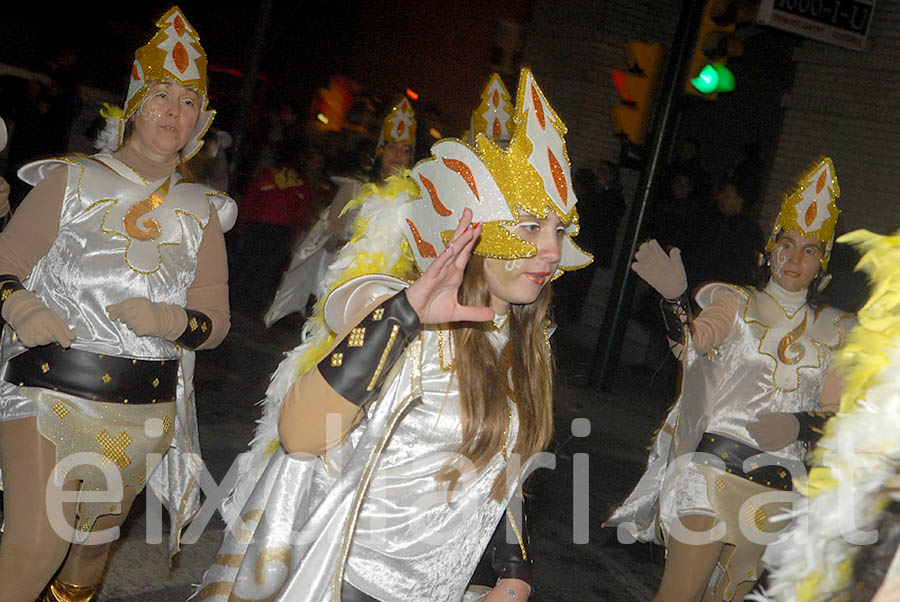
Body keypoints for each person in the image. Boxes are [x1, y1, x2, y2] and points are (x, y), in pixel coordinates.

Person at [196, 67, 592, 601]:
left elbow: (502, 468)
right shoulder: (402, 313)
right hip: (344, 579)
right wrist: (400, 317)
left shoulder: (526, 341)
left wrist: (514, 570)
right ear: (473, 230)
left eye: (560, 230)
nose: (552, 250)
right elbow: (301, 433)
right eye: (530, 227)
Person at [0, 8, 233, 601]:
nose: (172, 111)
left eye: (187, 100)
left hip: (141, 407)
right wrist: (21, 307)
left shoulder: (202, 212)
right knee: (38, 543)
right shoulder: (70, 181)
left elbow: (216, 323)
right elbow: (5, 262)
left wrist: (174, 321)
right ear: (135, 102)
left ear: (201, 120)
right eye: (161, 93)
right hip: (49, 386)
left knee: (90, 551)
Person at [605, 157, 855, 601]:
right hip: (711, 472)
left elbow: (842, 416)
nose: (794, 258)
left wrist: (800, 425)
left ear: (823, 264)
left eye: (810, 249)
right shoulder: (735, 303)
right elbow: (692, 346)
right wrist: (674, 300)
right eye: (787, 242)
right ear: (769, 249)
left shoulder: (837, 330)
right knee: (680, 594)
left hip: (779, 486)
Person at [751, 227, 900, 602]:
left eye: (809, 251)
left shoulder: (843, 324)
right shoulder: (871, 334)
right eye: (787, 247)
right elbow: (843, 418)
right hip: (835, 504)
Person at [262, 97, 416, 327]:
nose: (398, 156)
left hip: (387, 288)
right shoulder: (353, 189)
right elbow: (329, 237)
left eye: (405, 151)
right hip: (347, 281)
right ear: (380, 152)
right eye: (392, 147)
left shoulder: (414, 200)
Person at [231, 135, 315, 315]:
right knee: (268, 270)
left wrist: (241, 225)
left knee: (249, 264)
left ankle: (238, 301)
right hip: (281, 233)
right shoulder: (301, 185)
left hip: (258, 227)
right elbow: (300, 215)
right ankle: (255, 306)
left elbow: (250, 202)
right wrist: (293, 239)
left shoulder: (265, 176)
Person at [683, 173, 765, 293]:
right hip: (697, 286)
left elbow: (746, 269)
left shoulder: (749, 231)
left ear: (739, 199)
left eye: (726, 195)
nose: (720, 198)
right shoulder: (710, 219)